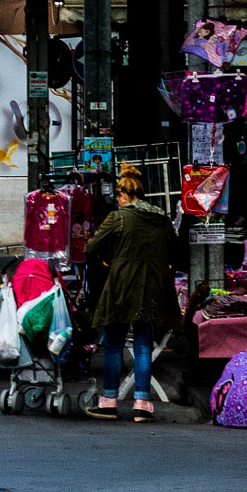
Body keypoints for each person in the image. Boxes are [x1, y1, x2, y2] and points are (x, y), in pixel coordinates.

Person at [83, 166, 187, 423]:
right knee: (142, 346)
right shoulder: (161, 218)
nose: (117, 201)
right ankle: (142, 404)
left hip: (121, 289)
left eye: (118, 196)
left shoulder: (118, 218)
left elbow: (90, 247)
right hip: (151, 289)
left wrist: (112, 258)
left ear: (124, 195)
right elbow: (175, 252)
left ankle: (108, 402)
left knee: (114, 344)